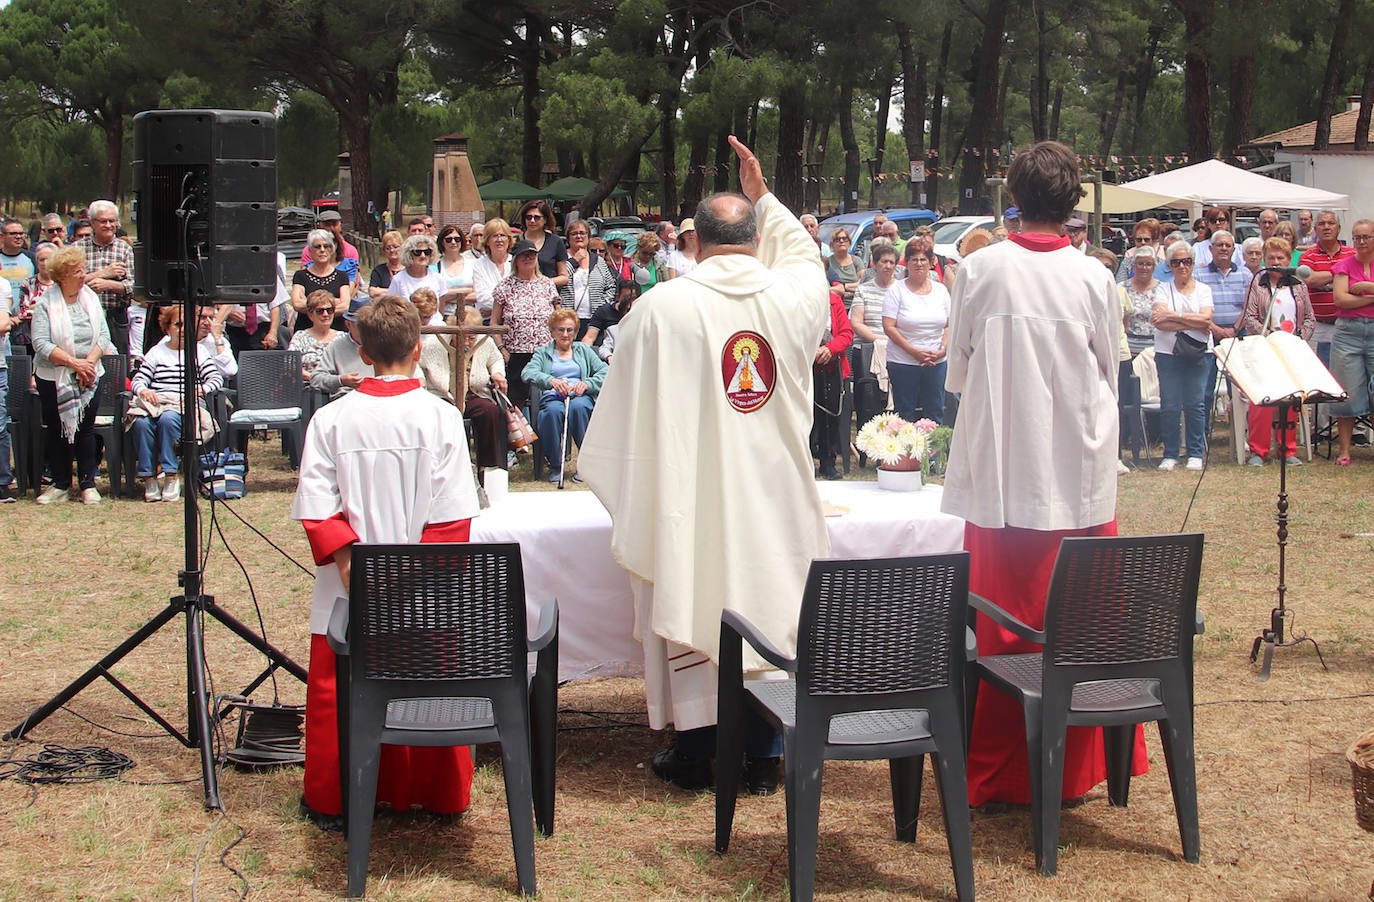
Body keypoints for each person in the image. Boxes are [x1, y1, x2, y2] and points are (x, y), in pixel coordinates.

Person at [578, 136, 829, 795]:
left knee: (694, 588)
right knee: (770, 597)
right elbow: (805, 254)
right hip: (773, 494)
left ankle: (696, 749)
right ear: (755, 235)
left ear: (694, 242)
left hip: (688, 496)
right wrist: (764, 191)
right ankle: (766, 753)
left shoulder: (659, 308)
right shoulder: (796, 299)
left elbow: (623, 420)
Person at [943, 140, 1143, 807]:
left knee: (1000, 626)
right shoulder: (1093, 277)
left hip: (1003, 472)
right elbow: (1108, 374)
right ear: (1074, 203)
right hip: (1076, 470)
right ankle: (1076, 766)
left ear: (1012, 199)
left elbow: (961, 369)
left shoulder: (979, 270)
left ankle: (1000, 768)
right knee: (1078, 622)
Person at [291, 293, 481, 829]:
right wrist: (411, 578)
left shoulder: (330, 420)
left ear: (362, 351)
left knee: (340, 687)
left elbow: (318, 507)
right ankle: (436, 790)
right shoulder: (443, 418)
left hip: (351, 585)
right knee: (430, 681)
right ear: (420, 349)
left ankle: (339, 796)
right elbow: (450, 520)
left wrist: (356, 569)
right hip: (426, 588)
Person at [30, 245, 111, 505]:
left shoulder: (90, 298)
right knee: (58, 430)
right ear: (63, 276)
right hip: (54, 376)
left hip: (89, 373)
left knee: (86, 430)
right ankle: (61, 484)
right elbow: (40, 343)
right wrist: (73, 363)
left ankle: (88, 484)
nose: (83, 274)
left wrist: (88, 364)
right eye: (78, 271)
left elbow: (103, 335)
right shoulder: (45, 303)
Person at [130, 305, 224, 502]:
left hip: (184, 404)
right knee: (140, 423)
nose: (182, 329)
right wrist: (144, 391)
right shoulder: (156, 352)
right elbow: (138, 380)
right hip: (157, 402)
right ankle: (149, 478)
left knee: (168, 419)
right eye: (177, 325)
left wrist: (200, 390)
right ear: (167, 328)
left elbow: (215, 379)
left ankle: (171, 474)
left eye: (186, 325)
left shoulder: (198, 351)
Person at [1238, 237, 1315, 466]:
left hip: (1292, 349)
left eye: (1280, 257)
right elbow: (1250, 316)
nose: (1276, 261)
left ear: (1289, 258)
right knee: (1262, 400)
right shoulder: (1257, 285)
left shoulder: (1299, 286)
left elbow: (1310, 318)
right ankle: (1258, 451)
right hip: (1264, 349)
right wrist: (1266, 337)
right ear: (1264, 259)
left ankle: (1287, 449)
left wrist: (1300, 339)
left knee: (1290, 399)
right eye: (1271, 257)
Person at [521, 308, 607, 483]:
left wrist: (588, 383)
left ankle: (585, 466)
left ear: (576, 332)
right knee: (551, 413)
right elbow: (528, 372)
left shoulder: (583, 350)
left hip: (579, 396)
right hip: (553, 396)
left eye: (569, 330)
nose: (565, 334)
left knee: (579, 408)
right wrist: (550, 381)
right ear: (552, 331)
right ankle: (555, 464)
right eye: (560, 329)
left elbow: (605, 371)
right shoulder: (543, 352)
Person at [1153, 240, 1215, 471]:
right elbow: (1159, 322)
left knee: (1195, 403)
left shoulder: (1204, 289)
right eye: (1176, 262)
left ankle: (1195, 452)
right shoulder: (1162, 288)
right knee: (1170, 404)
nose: (1182, 266)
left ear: (1193, 263)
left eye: (1186, 261)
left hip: (1199, 353)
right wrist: (1190, 319)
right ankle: (1170, 453)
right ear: (1169, 265)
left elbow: (1207, 320)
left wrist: (1174, 316)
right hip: (1167, 352)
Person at [883, 240, 951, 424]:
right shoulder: (896, 290)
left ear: (931, 262)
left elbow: (948, 325)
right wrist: (915, 352)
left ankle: (936, 453)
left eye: (923, 259)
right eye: (914, 259)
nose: (919, 263)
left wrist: (943, 350)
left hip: (936, 361)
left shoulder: (941, 290)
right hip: (903, 362)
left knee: (935, 412)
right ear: (907, 262)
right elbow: (889, 327)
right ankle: (906, 453)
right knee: (905, 414)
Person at [491, 239, 560, 408]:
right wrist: (502, 349)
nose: (528, 258)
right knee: (516, 402)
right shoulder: (505, 286)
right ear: (515, 259)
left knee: (548, 399)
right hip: (516, 353)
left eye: (531, 255)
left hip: (545, 352)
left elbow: (560, 317)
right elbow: (494, 322)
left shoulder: (548, 284)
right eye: (523, 255)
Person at [1328, 218, 1374, 466]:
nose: (1361, 242)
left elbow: (1350, 295)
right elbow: (1341, 300)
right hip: (1348, 333)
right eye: (1357, 237)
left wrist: (1365, 287)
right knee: (1346, 392)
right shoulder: (1344, 264)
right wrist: (1372, 298)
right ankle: (1344, 450)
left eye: (1366, 237)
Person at [1195, 229, 1248, 435]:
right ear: (1211, 249)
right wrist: (1216, 329)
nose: (1224, 248)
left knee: (1239, 388)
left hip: (1237, 337)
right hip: (1208, 336)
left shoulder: (1245, 274)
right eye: (1219, 245)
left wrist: (1234, 329)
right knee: (1206, 388)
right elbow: (1198, 306)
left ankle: (1240, 432)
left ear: (1234, 250)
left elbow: (1248, 306)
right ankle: (1204, 433)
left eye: (1228, 245)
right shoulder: (1199, 274)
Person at [74, 200, 134, 356]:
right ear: (93, 223)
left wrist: (108, 285)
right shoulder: (78, 249)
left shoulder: (125, 249)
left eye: (112, 221)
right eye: (103, 221)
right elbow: (68, 283)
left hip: (116, 316)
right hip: (83, 316)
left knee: (118, 363)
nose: (108, 225)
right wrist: (102, 274)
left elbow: (134, 286)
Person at [1300, 210, 1355, 366]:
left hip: (1347, 325)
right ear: (1316, 229)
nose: (1326, 227)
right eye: (1322, 224)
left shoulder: (1353, 254)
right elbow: (1310, 279)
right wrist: (1342, 271)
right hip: (1318, 326)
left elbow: (1357, 281)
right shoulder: (1308, 256)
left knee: (1345, 371)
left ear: (1338, 228)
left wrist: (1323, 279)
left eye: (1331, 223)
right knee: (1317, 371)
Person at [459, 305, 508, 473]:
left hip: (474, 393)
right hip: (447, 395)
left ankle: (487, 467)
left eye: (471, 338)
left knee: (488, 411)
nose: (467, 342)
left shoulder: (485, 341)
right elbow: (419, 363)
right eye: (463, 337)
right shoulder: (437, 341)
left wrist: (497, 374)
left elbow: (496, 360)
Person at [812, 288, 853, 479]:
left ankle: (828, 463)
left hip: (832, 368)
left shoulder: (834, 301)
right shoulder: (795, 299)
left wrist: (830, 348)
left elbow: (846, 334)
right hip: (805, 367)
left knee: (830, 419)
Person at [310, 298, 375, 399]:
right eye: (361, 325)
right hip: (345, 398)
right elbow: (316, 379)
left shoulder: (381, 344)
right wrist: (340, 380)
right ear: (348, 324)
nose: (367, 329)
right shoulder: (336, 346)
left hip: (376, 398)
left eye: (370, 324)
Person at [291, 230, 352, 332]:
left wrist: (310, 305)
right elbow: (297, 304)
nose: (322, 250)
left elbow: (345, 306)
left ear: (331, 249)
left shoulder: (342, 276)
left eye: (326, 246)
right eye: (317, 246)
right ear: (310, 250)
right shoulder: (300, 276)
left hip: (337, 331)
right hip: (306, 331)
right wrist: (333, 303)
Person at [562, 220, 616, 334]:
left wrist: (602, 305)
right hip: (568, 318)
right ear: (568, 237)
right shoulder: (562, 259)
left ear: (588, 236)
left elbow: (611, 286)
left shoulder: (598, 261)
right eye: (574, 233)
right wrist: (574, 260)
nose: (579, 236)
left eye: (582, 233)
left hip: (595, 319)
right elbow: (559, 279)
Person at [289, 290, 345, 380]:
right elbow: (291, 366)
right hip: (309, 387)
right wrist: (316, 379)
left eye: (329, 310)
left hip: (339, 387)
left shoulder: (343, 338)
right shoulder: (300, 337)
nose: (325, 314)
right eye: (320, 311)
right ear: (310, 315)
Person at [516, 199, 570, 292]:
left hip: (548, 296)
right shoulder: (516, 241)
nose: (532, 221)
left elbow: (564, 277)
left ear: (545, 219)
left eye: (536, 217)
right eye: (528, 217)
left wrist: (541, 283)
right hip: (521, 294)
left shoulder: (556, 241)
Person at [408, 288, 452, 401]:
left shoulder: (442, 329)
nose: (425, 321)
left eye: (428, 316)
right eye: (421, 316)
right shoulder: (405, 330)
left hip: (440, 385)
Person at [1122, 245, 1162, 357]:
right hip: (1128, 350)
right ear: (1134, 266)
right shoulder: (1122, 288)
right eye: (1140, 263)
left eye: (1148, 264)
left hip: (1155, 350)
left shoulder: (1163, 289)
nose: (1144, 268)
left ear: (1154, 267)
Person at [384, 234, 446, 306]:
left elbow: (440, 310)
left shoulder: (438, 278)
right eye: (417, 252)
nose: (423, 256)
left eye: (427, 252)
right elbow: (390, 307)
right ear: (409, 254)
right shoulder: (398, 280)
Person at [471, 218, 514, 317]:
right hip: (487, 321)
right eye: (494, 236)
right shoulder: (479, 265)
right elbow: (482, 297)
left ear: (509, 239)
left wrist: (495, 310)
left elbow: (521, 295)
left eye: (502, 235)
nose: (499, 240)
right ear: (487, 241)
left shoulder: (517, 263)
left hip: (514, 320)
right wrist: (509, 307)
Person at [432, 225, 474, 317]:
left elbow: (478, 294)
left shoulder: (473, 264)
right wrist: (467, 291)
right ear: (442, 242)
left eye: (457, 239)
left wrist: (447, 296)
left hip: (470, 316)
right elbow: (434, 296)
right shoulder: (434, 266)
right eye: (448, 240)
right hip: (445, 315)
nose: (453, 242)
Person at [825, 227, 860, 303]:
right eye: (837, 239)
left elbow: (862, 284)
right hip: (835, 305)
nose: (841, 241)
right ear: (832, 244)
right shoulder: (827, 262)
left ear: (849, 242)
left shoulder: (856, 261)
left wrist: (843, 287)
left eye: (844, 238)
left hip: (855, 304)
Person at [367, 230, 405, 299]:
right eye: (388, 248)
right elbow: (372, 292)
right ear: (384, 251)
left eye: (395, 247)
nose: (392, 250)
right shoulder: (378, 270)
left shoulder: (409, 269)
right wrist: (399, 292)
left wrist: (383, 291)